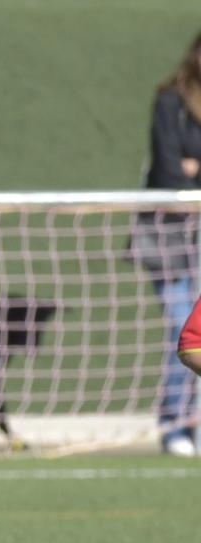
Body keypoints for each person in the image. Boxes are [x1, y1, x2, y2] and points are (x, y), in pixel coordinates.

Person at [141, 34, 201, 456]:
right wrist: (186, 173)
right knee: (183, 331)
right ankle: (174, 424)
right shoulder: (171, 103)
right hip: (167, 235)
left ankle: (195, 425)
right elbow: (167, 171)